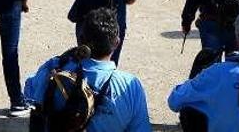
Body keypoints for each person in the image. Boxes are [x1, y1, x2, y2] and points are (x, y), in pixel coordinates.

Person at [24, 8, 152, 131]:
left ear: (81, 39)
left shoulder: (56, 67)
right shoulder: (130, 86)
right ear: (116, 43)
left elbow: (29, 91)